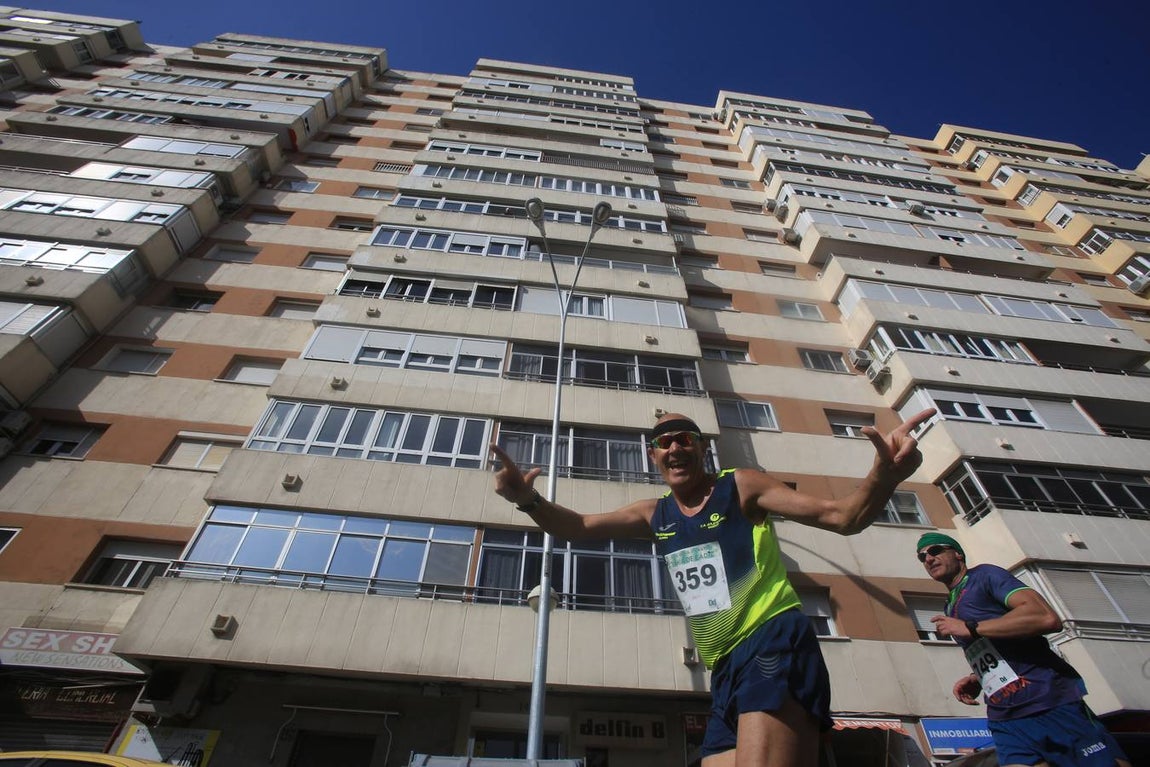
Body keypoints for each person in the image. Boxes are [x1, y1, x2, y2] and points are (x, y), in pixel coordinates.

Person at [490, 408, 935, 767]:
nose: (675, 447)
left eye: (685, 438)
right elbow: (578, 527)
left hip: (772, 642)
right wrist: (526, 500)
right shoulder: (655, 515)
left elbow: (842, 517)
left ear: (702, 448)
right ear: (653, 456)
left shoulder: (740, 486)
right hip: (724, 668)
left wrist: (885, 476)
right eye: (664, 442)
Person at [917, 532, 1131, 767]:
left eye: (935, 550)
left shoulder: (985, 576)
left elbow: (1045, 617)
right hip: (1004, 715)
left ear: (957, 553)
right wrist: (978, 677)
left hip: (1046, 700)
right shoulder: (949, 605)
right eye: (922, 557)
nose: (928, 559)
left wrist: (972, 627)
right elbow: (996, 646)